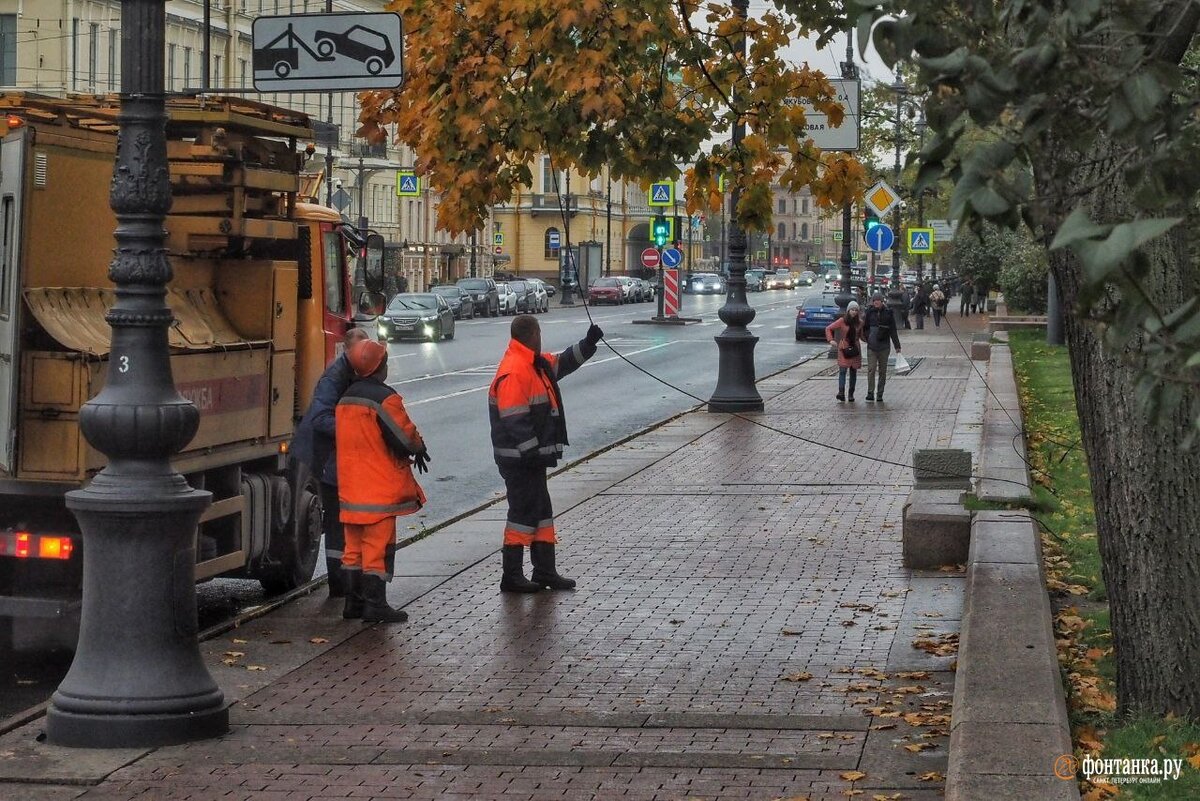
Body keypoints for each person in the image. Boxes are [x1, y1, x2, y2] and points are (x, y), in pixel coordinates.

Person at [489, 315, 603, 592]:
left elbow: (562, 362)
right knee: (522, 514)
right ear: (533, 335)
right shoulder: (516, 370)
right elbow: (514, 418)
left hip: (529, 458)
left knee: (540, 513)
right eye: (540, 333)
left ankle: (544, 571)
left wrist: (587, 344)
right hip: (520, 460)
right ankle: (512, 575)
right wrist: (532, 452)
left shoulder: (532, 363)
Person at [336, 339, 429, 623]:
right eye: (386, 361)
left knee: (353, 550)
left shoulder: (345, 399)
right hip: (379, 492)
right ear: (380, 367)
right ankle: (375, 605)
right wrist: (419, 446)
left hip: (351, 490)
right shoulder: (384, 399)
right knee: (377, 549)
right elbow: (404, 437)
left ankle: (353, 604)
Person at [289, 327, 369, 598]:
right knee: (336, 522)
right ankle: (339, 584)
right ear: (348, 350)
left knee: (340, 523)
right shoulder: (335, 376)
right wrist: (358, 427)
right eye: (360, 352)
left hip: (337, 460)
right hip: (328, 462)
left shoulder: (349, 372)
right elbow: (321, 420)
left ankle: (343, 583)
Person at [862, 291, 902, 402]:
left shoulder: (888, 313)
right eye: (874, 300)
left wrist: (897, 345)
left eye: (878, 300)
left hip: (884, 346)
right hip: (872, 346)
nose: (876, 302)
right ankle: (870, 392)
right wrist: (868, 337)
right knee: (871, 369)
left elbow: (893, 330)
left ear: (882, 301)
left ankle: (880, 393)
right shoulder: (869, 312)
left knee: (882, 371)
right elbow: (865, 327)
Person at [826, 301, 864, 402]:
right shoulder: (842, 321)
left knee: (853, 371)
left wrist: (871, 340)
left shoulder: (859, 322)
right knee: (842, 370)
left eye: (856, 310)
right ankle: (841, 393)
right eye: (852, 310)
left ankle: (851, 394)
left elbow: (862, 335)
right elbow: (829, 328)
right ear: (848, 310)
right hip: (844, 347)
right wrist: (831, 340)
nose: (854, 312)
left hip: (855, 348)